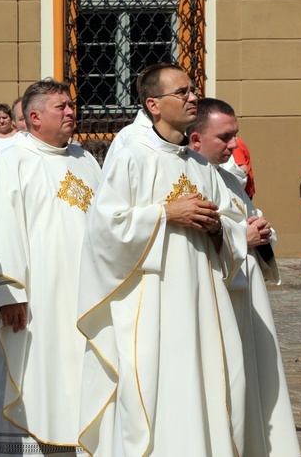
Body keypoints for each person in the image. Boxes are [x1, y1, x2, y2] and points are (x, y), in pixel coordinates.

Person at [77, 63, 248, 455]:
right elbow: (104, 229)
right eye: (183, 92)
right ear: (153, 104)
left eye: (193, 90)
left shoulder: (201, 165)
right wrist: (165, 214)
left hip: (203, 305)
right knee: (156, 393)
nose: (193, 98)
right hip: (151, 303)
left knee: (211, 386)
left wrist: (218, 228)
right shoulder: (132, 155)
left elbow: (234, 224)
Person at [0, 79, 101, 456]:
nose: (70, 112)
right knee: (33, 382)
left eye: (70, 105)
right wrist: (6, 293)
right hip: (34, 307)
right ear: (34, 117)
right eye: (60, 106)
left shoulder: (85, 160)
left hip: (83, 298)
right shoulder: (10, 164)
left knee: (81, 387)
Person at [187, 98, 301, 456]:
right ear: (195, 140)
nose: (235, 145)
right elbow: (192, 243)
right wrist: (242, 237)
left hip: (246, 299)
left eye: (235, 135)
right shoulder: (185, 179)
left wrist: (262, 232)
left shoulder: (228, 179)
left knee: (252, 379)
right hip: (214, 299)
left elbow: (254, 221)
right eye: (225, 137)